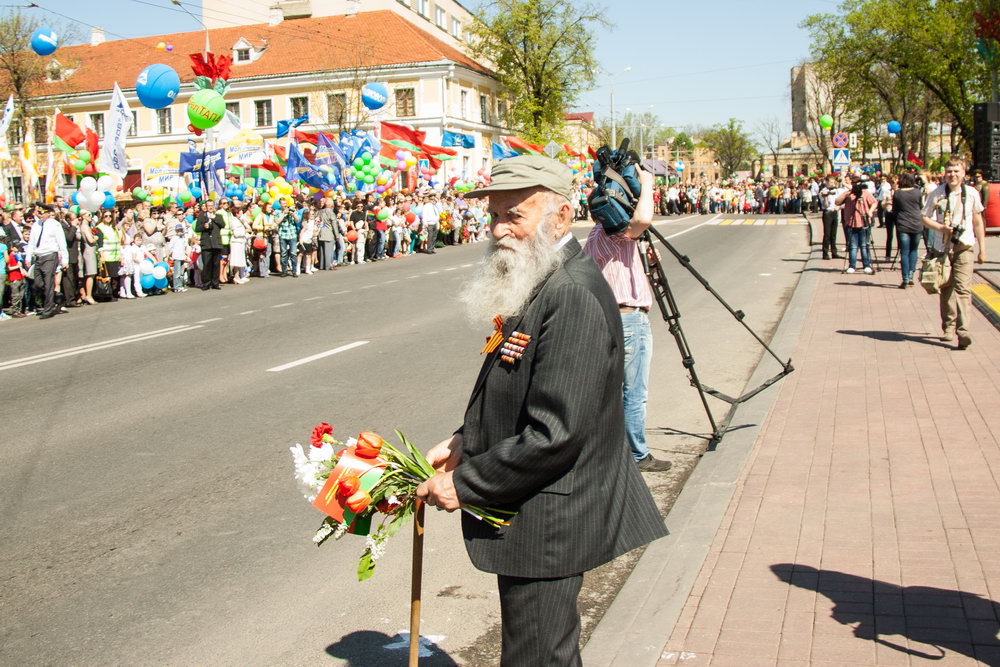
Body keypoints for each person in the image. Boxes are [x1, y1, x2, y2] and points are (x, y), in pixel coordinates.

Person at [416, 155, 666, 666]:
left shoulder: (570, 292)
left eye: (514, 215)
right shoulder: (544, 276)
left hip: (550, 517)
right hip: (535, 508)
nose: (499, 229)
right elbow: (522, 385)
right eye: (494, 215)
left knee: (536, 659)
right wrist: (467, 438)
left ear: (560, 216)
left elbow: (556, 432)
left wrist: (463, 484)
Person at [582, 163, 672, 473]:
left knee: (615, 392)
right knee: (634, 392)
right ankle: (637, 454)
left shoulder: (598, 234)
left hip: (612, 318)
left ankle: (611, 452)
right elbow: (643, 219)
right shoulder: (616, 231)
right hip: (629, 320)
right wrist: (647, 183)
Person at [921, 158, 987, 350]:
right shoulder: (937, 193)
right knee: (946, 287)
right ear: (945, 173)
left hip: (964, 246)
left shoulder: (972, 193)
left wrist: (982, 248)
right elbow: (924, 218)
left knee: (963, 288)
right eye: (949, 171)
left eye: (956, 171)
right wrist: (941, 227)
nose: (953, 174)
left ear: (963, 173)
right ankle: (948, 326)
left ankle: (963, 330)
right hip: (942, 247)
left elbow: (977, 221)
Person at [24, 203, 69, 319]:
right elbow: (32, 242)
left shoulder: (55, 225)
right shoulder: (36, 225)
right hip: (39, 256)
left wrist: (65, 259)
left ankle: (48, 309)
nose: (40, 215)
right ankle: (56, 297)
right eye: (38, 212)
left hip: (50, 255)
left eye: (42, 212)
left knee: (49, 282)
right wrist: (28, 256)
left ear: (48, 213)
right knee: (38, 283)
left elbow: (62, 243)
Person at [835, 175, 877, 274]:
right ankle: (852, 265)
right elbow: (837, 202)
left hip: (864, 222)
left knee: (864, 245)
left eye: (858, 184)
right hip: (851, 222)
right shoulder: (849, 194)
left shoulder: (865, 193)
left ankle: (866, 265)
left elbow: (874, 202)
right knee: (853, 246)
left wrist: (870, 211)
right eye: (854, 184)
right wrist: (846, 194)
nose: (856, 186)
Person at [889, 172, 923, 288]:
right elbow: (921, 206)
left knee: (904, 252)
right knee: (914, 250)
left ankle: (905, 279)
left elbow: (894, 210)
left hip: (903, 225)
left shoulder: (898, 194)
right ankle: (911, 274)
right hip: (917, 224)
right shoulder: (918, 192)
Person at [196, 199, 225, 290]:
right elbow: (197, 228)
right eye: (209, 205)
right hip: (206, 243)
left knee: (216, 264)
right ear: (206, 207)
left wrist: (214, 218)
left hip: (216, 243)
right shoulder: (201, 216)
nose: (210, 207)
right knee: (207, 264)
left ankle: (215, 283)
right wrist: (204, 227)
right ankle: (206, 283)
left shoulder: (218, 216)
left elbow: (223, 224)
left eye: (212, 205)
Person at [819, 178, 844, 260]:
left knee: (833, 234)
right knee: (827, 234)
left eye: (833, 182)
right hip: (827, 213)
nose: (832, 184)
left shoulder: (837, 191)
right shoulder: (823, 191)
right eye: (831, 182)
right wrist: (825, 196)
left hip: (835, 212)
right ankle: (825, 253)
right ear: (827, 182)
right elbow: (825, 205)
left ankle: (834, 252)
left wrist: (839, 206)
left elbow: (841, 201)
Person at [167, 224, 189, 292]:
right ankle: (176, 286)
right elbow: (170, 247)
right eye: (178, 230)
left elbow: (185, 246)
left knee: (182, 272)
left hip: (182, 256)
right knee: (177, 273)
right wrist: (171, 253)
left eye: (181, 230)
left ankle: (181, 285)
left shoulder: (183, 238)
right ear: (176, 231)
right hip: (176, 257)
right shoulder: (174, 238)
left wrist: (186, 253)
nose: (180, 231)